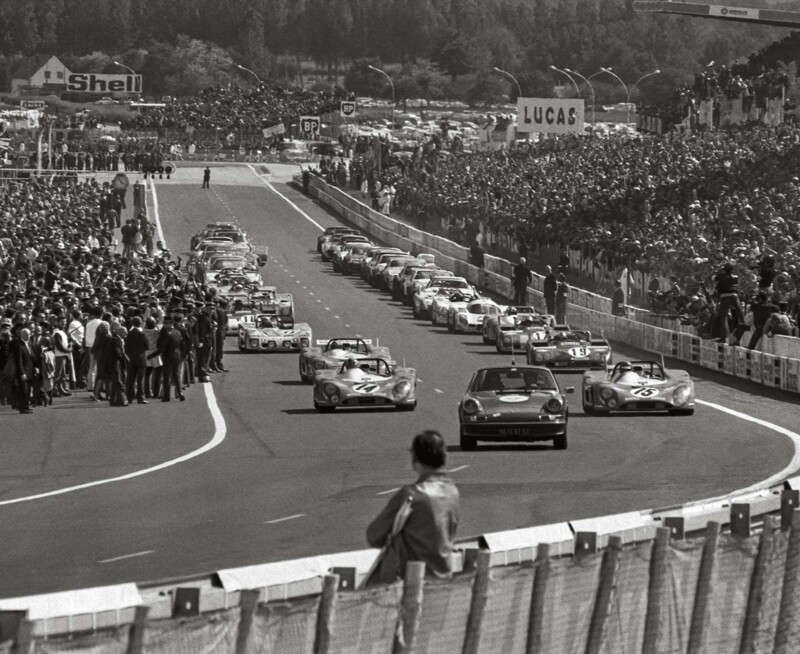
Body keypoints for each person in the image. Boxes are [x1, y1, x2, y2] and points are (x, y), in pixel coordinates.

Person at [365, 430, 460, 585]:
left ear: (416, 458)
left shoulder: (412, 495)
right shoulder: (452, 492)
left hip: (413, 582)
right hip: (443, 577)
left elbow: (374, 535)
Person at [125, 316, 150, 404]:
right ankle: (140, 397)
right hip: (141, 358)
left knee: (130, 379)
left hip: (131, 358)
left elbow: (126, 346)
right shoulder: (142, 334)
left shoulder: (129, 334)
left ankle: (129, 397)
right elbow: (147, 346)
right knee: (140, 379)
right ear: (140, 323)